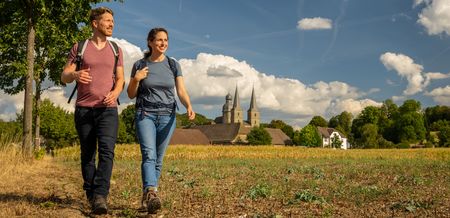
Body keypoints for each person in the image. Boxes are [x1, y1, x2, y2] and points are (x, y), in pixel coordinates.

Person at [61, 7, 124, 215]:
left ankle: (100, 196)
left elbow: (121, 78)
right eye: (107, 20)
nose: (111, 24)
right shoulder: (80, 47)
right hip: (84, 109)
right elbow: (65, 75)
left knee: (107, 152)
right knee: (88, 154)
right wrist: (76, 75)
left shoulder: (116, 49)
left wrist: (115, 92)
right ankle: (90, 193)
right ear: (95, 23)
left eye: (112, 21)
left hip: (108, 109)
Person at [127, 27, 195, 214]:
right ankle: (151, 192)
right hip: (145, 114)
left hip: (168, 115)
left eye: (166, 40)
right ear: (150, 42)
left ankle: (148, 197)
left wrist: (188, 105)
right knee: (149, 155)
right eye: (159, 40)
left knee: (158, 159)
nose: (163, 43)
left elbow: (180, 90)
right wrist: (136, 79)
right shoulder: (140, 64)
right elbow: (131, 94)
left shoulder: (173, 65)